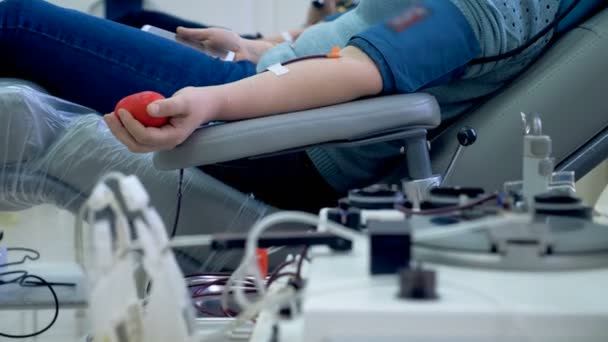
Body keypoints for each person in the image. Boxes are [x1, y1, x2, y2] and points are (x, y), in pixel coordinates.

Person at [0, 0, 603, 213]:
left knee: (13, 20)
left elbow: (363, 70)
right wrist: (261, 46)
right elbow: (368, 33)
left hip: (283, 136)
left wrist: (214, 98)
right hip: (268, 85)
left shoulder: (488, 7)